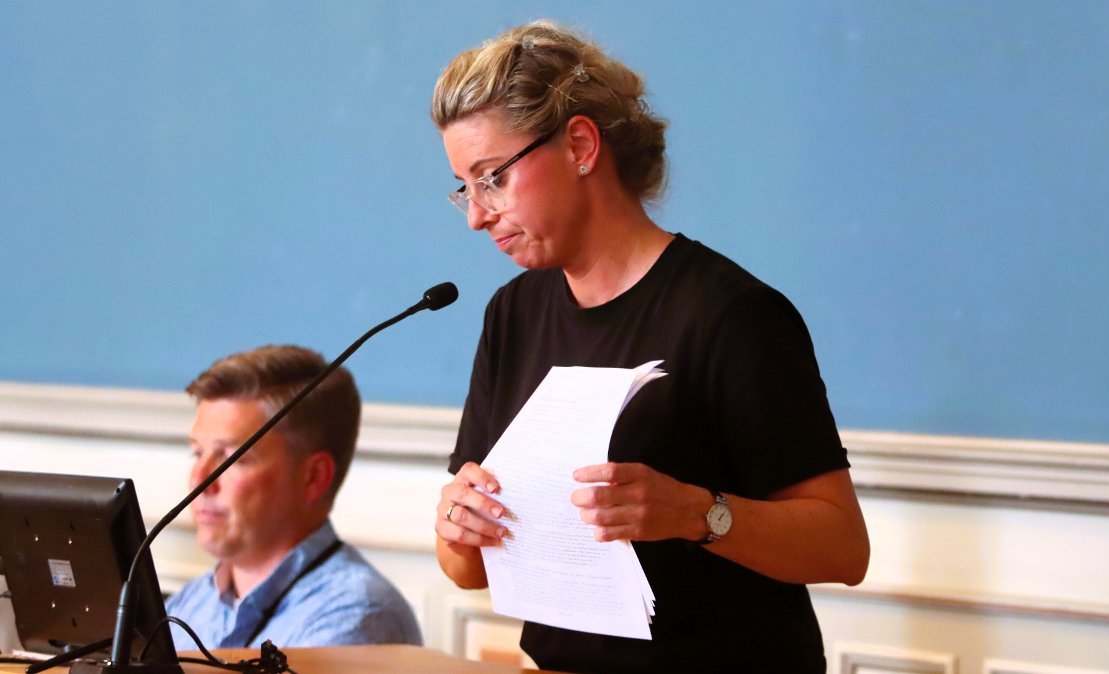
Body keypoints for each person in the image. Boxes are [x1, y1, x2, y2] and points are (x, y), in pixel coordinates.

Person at [431, 20, 870, 674]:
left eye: (492, 177)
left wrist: (695, 513)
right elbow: (467, 572)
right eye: (464, 188)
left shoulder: (732, 315)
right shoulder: (512, 314)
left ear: (580, 146)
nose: (476, 215)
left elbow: (842, 548)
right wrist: (459, 527)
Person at [167, 345, 421, 649]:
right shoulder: (188, 605)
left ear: (313, 477)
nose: (199, 481)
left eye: (232, 459)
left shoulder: (358, 618)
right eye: (197, 453)